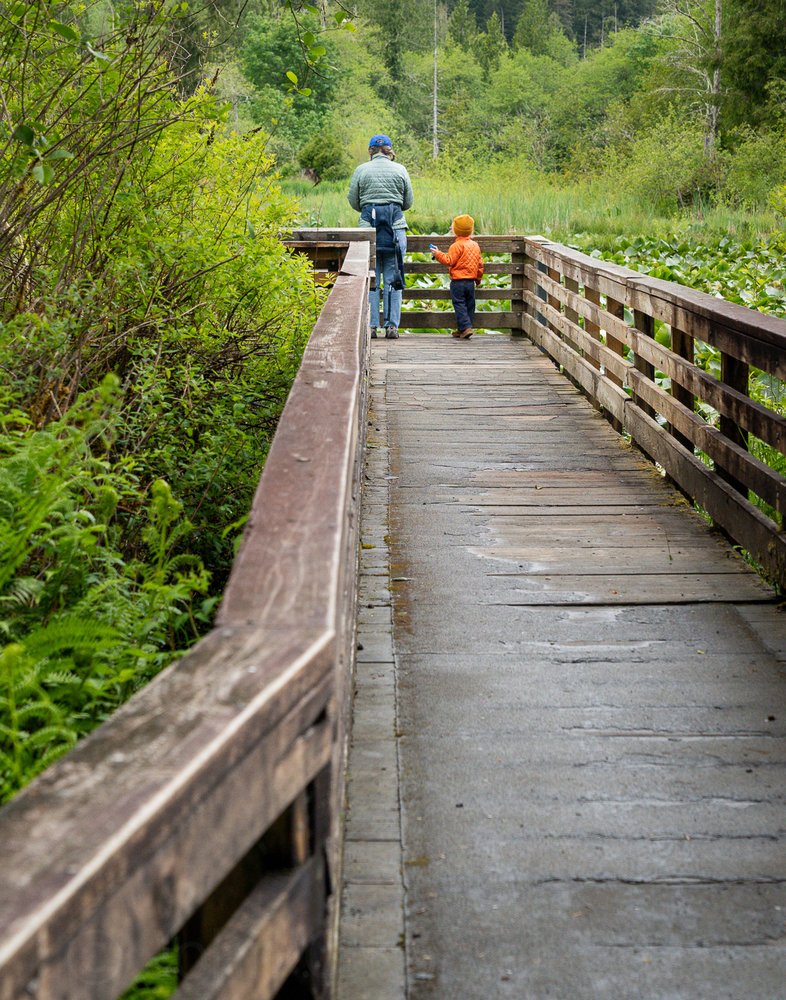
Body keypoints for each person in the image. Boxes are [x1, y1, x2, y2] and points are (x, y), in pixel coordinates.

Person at [348, 134, 414, 340]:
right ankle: (392, 326)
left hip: (369, 230)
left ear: (371, 150)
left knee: (370, 278)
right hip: (395, 229)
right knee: (394, 279)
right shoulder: (400, 169)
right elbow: (408, 202)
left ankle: (371, 326)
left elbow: (354, 201)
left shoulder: (361, 170)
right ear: (389, 149)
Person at [429, 214, 484, 339]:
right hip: (470, 282)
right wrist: (478, 279)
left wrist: (437, 254)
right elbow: (480, 265)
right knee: (469, 304)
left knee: (459, 303)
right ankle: (464, 328)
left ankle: (465, 327)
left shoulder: (456, 246)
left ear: (455, 230)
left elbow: (449, 260)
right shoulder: (475, 245)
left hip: (458, 281)